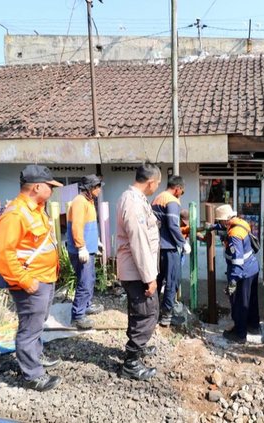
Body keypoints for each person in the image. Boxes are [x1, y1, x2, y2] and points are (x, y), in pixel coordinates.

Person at [0, 165, 63, 391]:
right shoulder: (15, 214)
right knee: (29, 328)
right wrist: (25, 281)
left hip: (44, 278)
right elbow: (3, 255)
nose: (52, 190)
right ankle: (32, 374)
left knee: (37, 322)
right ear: (37, 187)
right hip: (30, 283)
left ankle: (36, 355)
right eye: (50, 186)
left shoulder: (35, 209)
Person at [116, 162, 161, 381]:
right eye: (158, 184)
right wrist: (149, 277)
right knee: (146, 313)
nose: (157, 188)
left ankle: (136, 350)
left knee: (140, 311)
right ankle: (131, 363)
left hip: (138, 270)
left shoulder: (136, 199)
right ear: (151, 182)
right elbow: (139, 241)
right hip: (137, 271)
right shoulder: (132, 202)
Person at [213, 204, 260, 344]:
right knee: (251, 300)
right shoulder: (241, 223)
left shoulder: (234, 235)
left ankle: (240, 334)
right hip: (252, 269)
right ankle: (253, 326)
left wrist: (233, 280)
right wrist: (213, 227)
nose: (219, 223)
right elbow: (225, 228)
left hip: (242, 273)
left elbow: (237, 260)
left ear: (226, 220)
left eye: (219, 221)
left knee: (239, 303)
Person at [152, 175, 191, 327]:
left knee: (158, 279)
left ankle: (153, 313)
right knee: (172, 280)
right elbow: (173, 225)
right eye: (181, 192)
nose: (181, 195)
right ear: (177, 189)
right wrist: (183, 243)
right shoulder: (172, 201)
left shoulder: (157, 198)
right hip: (169, 248)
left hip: (157, 247)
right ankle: (167, 315)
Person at [67, 174, 105, 330]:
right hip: (80, 251)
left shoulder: (88, 201)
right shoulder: (79, 202)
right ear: (90, 188)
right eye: (98, 188)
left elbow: (88, 225)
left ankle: (86, 305)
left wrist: (95, 241)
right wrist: (81, 246)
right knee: (85, 282)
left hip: (88, 249)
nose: (99, 191)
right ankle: (78, 316)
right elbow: (76, 226)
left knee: (90, 279)